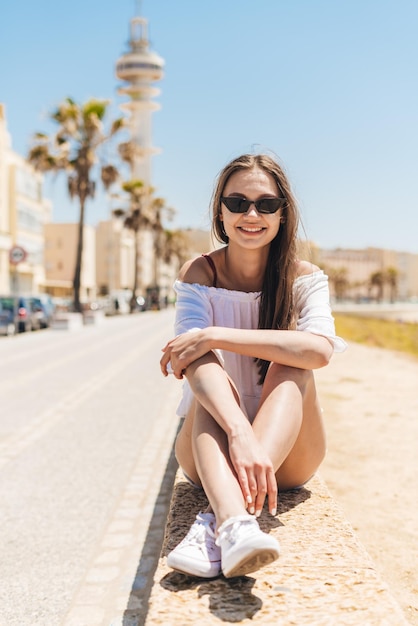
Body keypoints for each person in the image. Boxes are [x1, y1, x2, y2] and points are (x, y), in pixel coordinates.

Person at [160, 153, 346, 579]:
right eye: (238, 202)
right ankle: (234, 522)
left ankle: (216, 520)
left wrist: (214, 334)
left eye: (266, 204)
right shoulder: (199, 273)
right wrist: (239, 432)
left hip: (293, 457)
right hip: (212, 446)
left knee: (293, 364)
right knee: (207, 376)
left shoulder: (303, 277)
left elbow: (319, 351)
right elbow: (192, 359)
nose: (251, 214)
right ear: (220, 211)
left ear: (283, 214)